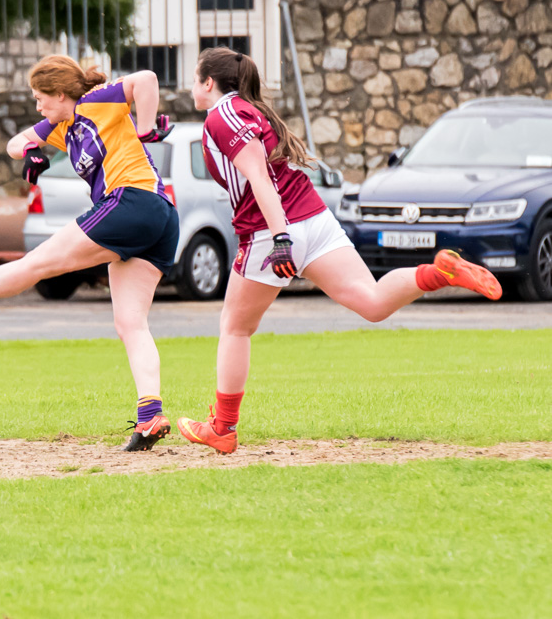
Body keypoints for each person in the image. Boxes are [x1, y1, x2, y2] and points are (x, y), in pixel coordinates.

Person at [177, 47, 501, 455]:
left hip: (272, 229)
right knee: (373, 302)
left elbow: (259, 178)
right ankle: (438, 274)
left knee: (235, 327)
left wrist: (280, 240)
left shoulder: (222, 114)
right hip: (314, 216)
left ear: (209, 83)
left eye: (194, 79)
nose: (192, 87)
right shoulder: (251, 110)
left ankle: (223, 428)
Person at [0, 55, 181, 452]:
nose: (37, 106)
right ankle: (149, 417)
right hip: (160, 217)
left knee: (35, 265)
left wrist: (143, 130)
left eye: (40, 98)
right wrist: (32, 153)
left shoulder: (95, 102)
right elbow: (14, 143)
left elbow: (147, 77)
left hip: (132, 203)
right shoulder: (62, 127)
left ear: (60, 93)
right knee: (131, 323)